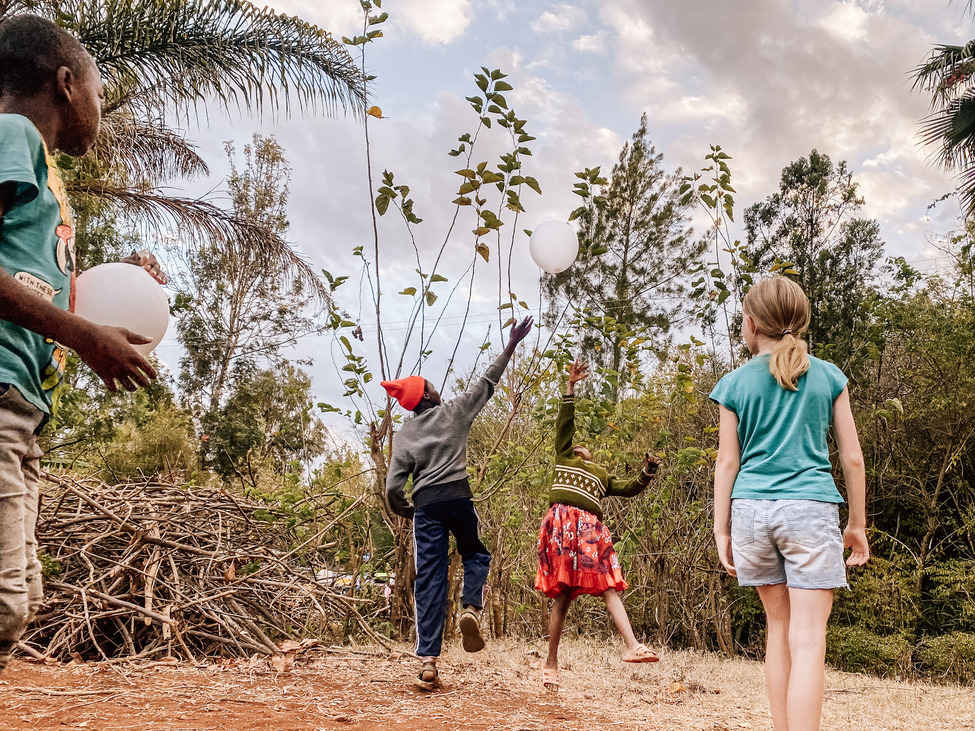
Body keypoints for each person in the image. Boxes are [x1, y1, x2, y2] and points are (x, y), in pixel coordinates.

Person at [0, 14, 166, 675]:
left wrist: (111, 285)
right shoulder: (13, 134)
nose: (100, 103)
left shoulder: (38, 170)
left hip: (22, 407)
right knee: (4, 604)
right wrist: (82, 335)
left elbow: (30, 283)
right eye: (98, 87)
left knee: (22, 596)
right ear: (66, 83)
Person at [710, 277, 870, 731]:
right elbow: (852, 457)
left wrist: (722, 529)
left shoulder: (733, 384)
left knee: (778, 628)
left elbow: (727, 462)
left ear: (752, 323)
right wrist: (856, 525)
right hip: (809, 509)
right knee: (808, 639)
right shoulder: (828, 375)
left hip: (751, 512)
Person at [383, 316, 533, 689]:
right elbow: (488, 381)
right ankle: (470, 607)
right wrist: (512, 343)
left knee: (429, 581)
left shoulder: (405, 434)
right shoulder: (454, 413)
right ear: (428, 397)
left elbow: (392, 487)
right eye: (433, 387)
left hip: (427, 508)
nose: (439, 390)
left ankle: (429, 662)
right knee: (476, 554)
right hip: (459, 498)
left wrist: (406, 509)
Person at [535, 358, 661, 693]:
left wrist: (648, 471)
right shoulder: (563, 457)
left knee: (608, 586)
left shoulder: (601, 475)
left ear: (591, 455)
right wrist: (571, 387)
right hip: (563, 527)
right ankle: (550, 664)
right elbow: (565, 424)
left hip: (590, 531)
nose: (578, 445)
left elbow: (630, 487)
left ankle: (633, 646)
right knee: (561, 597)